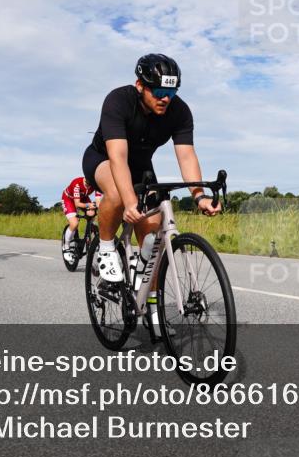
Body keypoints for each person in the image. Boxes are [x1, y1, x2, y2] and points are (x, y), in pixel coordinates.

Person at [82, 53, 221, 289]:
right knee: (117, 192)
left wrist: (199, 196)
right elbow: (118, 157)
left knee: (153, 236)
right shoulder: (118, 101)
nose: (165, 99)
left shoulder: (180, 111)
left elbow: (186, 156)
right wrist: (129, 202)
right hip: (103, 159)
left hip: (142, 169)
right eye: (158, 92)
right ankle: (105, 249)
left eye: (171, 93)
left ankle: (149, 300)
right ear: (140, 86)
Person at [61, 176, 101, 257]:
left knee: (92, 213)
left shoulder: (96, 183)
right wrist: (89, 204)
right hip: (69, 200)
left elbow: (98, 202)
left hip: (83, 198)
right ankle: (66, 247)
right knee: (74, 223)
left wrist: (97, 207)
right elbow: (77, 204)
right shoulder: (77, 184)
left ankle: (90, 235)